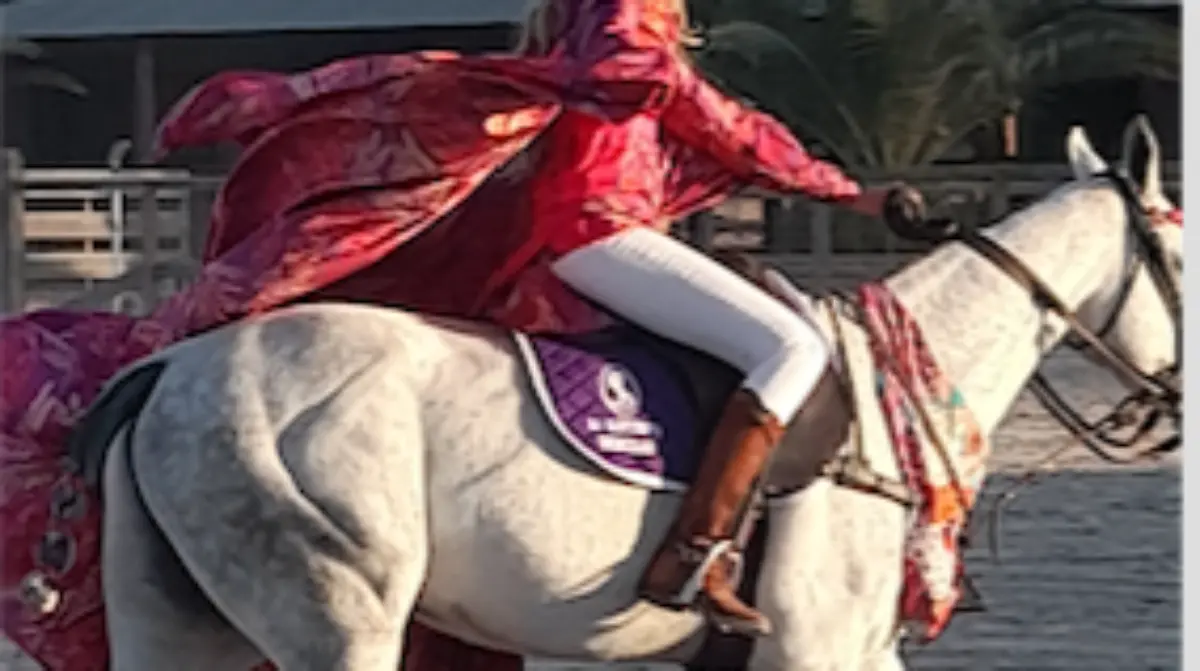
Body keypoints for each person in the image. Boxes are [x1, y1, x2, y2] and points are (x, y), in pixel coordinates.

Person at [0, 1, 917, 669]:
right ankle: (699, 553)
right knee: (793, 347)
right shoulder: (626, 11)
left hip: (594, 230)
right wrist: (841, 188)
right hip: (599, 228)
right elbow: (687, 101)